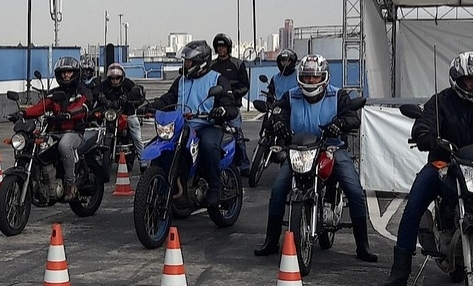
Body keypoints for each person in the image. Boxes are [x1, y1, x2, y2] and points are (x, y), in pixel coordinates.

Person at [378, 51, 473, 286]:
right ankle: (399, 273)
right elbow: (423, 124)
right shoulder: (440, 101)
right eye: (470, 80)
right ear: (458, 80)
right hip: (445, 164)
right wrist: (426, 137)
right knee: (413, 205)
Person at [254, 53, 378, 262]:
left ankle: (362, 246)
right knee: (277, 191)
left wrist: (339, 124)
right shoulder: (290, 96)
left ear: (324, 77)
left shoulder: (338, 96)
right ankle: (271, 240)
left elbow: (351, 117)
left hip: (331, 148)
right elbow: (276, 113)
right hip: (299, 149)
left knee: (355, 192)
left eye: (315, 77)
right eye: (307, 76)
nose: (311, 80)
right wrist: (278, 124)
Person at [143, 40, 238, 207]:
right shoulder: (181, 81)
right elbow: (168, 99)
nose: (186, 64)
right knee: (160, 144)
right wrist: (150, 106)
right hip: (182, 126)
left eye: (190, 62)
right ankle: (165, 190)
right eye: (185, 61)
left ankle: (215, 188)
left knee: (208, 145)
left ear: (200, 62)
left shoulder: (217, 79)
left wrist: (221, 110)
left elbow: (231, 106)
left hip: (208, 126)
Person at [19, 56, 92, 202]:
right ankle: (41, 181)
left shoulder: (82, 91)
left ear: (75, 73)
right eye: (63, 72)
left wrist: (70, 114)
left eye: (69, 72)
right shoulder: (54, 93)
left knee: (64, 145)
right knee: (35, 144)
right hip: (54, 131)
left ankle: (70, 183)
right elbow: (40, 107)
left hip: (75, 132)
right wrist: (23, 113)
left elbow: (84, 108)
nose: (66, 75)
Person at [210, 33, 251, 177]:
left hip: (233, 108)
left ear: (228, 48)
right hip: (215, 109)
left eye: (224, 47)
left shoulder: (238, 64)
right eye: (219, 47)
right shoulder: (211, 65)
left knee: (237, 136)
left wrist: (232, 95)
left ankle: (244, 164)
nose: (221, 49)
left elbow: (246, 86)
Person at [94, 63, 147, 172]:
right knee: (97, 129)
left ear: (121, 77)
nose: (114, 80)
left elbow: (136, 91)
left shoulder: (128, 84)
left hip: (127, 113)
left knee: (137, 136)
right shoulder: (105, 85)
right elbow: (95, 90)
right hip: (111, 113)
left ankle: (143, 163)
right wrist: (100, 96)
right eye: (112, 78)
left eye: (117, 78)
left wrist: (127, 97)